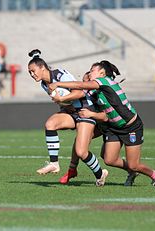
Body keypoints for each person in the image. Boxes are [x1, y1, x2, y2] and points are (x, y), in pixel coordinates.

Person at [49, 60, 155, 187]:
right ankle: (131, 172)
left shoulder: (105, 81)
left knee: (134, 164)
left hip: (131, 127)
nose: (89, 73)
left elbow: (79, 85)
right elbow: (103, 115)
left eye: (92, 70)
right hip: (113, 127)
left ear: (102, 73)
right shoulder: (95, 92)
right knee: (109, 159)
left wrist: (57, 84)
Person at [27, 49, 108, 187]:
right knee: (50, 124)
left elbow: (80, 93)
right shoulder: (43, 84)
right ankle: (54, 163)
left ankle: (100, 174)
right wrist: (62, 103)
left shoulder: (59, 74)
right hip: (71, 112)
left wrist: (62, 99)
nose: (32, 74)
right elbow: (63, 101)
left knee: (81, 152)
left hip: (85, 110)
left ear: (42, 67)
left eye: (33, 70)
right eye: (29, 72)